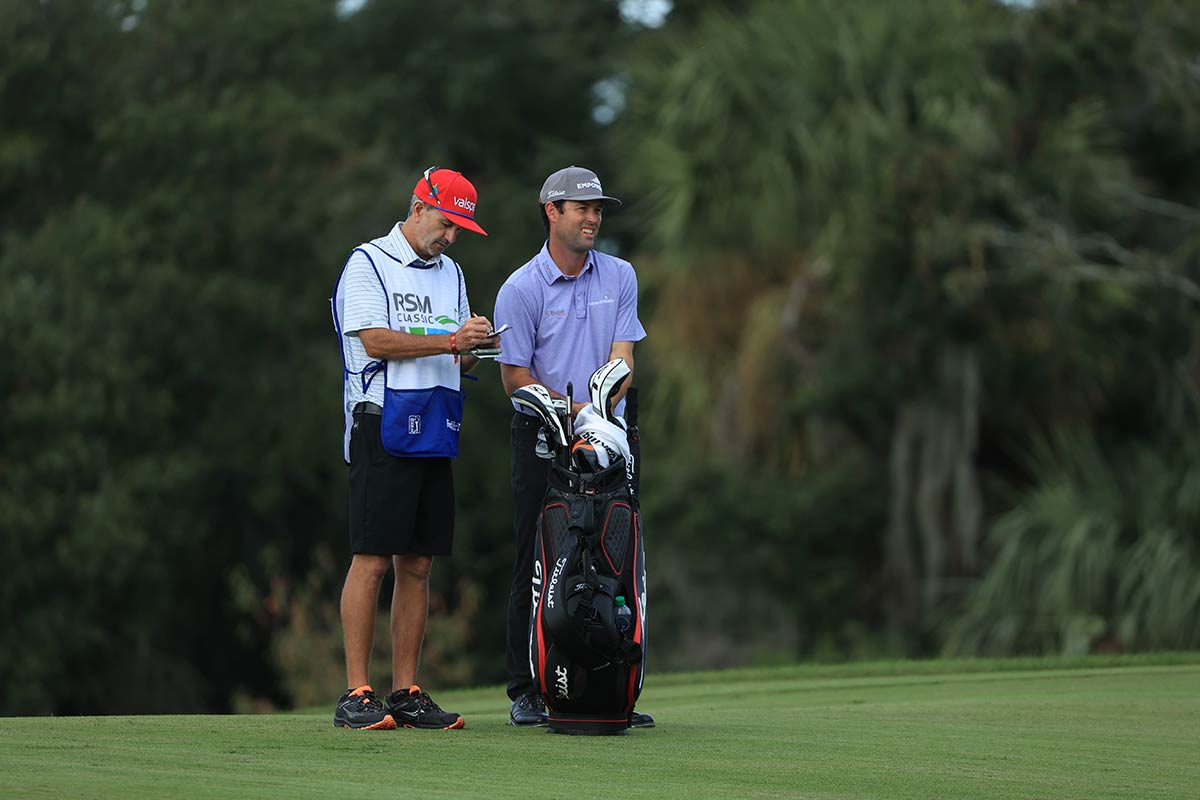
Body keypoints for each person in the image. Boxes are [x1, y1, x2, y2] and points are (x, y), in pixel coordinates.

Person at [329, 166, 498, 730]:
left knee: (419, 562)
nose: (451, 237)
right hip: (381, 420)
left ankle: (406, 692)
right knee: (373, 557)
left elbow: (456, 356)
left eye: (459, 230)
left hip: (435, 422)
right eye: (448, 224)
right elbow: (374, 339)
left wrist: (474, 345)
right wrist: (451, 339)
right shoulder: (368, 262)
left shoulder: (451, 273)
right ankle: (357, 693)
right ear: (420, 206)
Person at [493, 166, 654, 728]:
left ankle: (615, 685)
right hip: (544, 435)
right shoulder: (521, 288)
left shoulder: (620, 275)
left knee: (617, 555)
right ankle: (526, 688)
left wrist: (600, 417)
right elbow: (514, 376)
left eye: (598, 209)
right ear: (551, 211)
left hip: (611, 437)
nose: (593, 218)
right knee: (536, 559)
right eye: (581, 208)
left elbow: (623, 360)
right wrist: (574, 415)